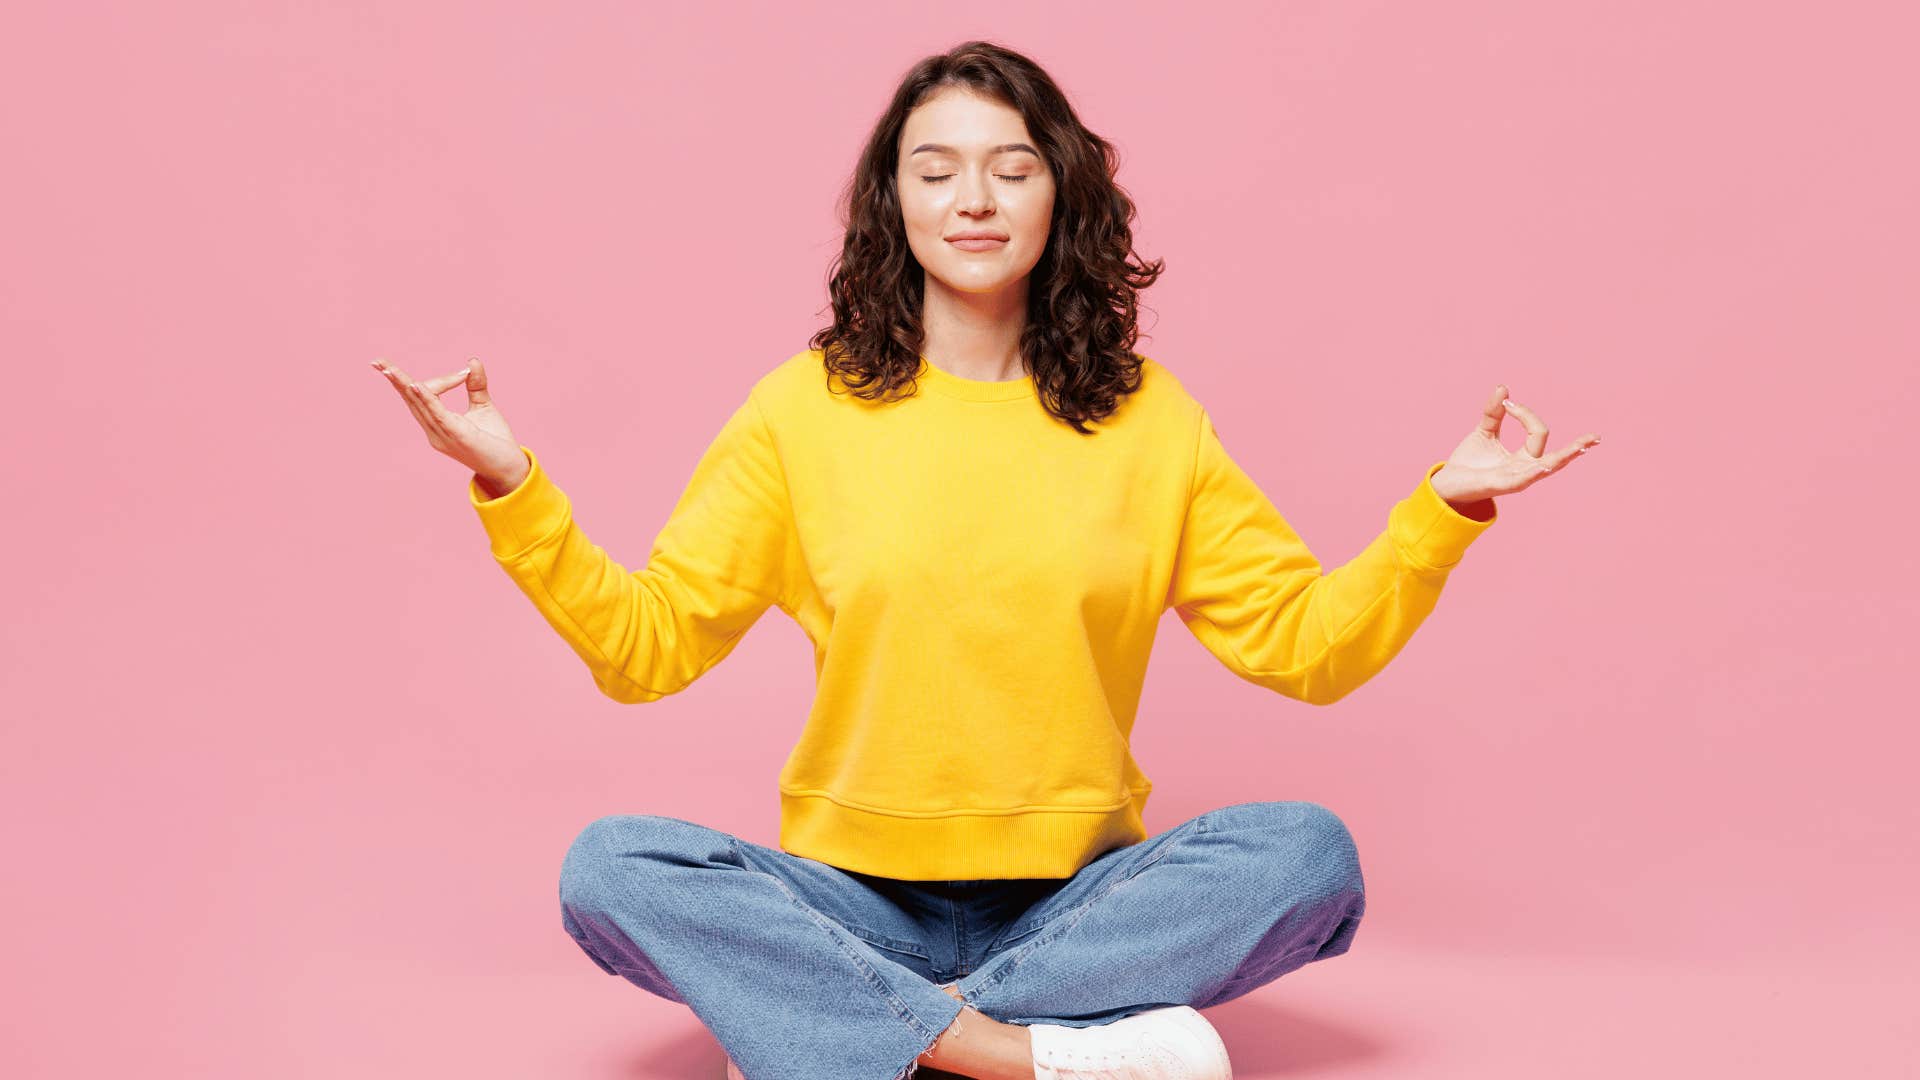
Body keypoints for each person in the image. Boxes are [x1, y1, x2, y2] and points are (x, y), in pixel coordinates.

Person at [371, 39, 1597, 1080]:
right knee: (614, 870)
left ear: (1059, 195)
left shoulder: (1148, 419)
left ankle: (836, 1034)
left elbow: (1305, 647)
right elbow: (646, 650)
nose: (974, 198)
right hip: (849, 903)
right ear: (891, 202)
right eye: (936, 168)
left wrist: (1442, 510)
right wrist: (510, 482)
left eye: (1012, 168)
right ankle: (1026, 1057)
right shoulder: (801, 414)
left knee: (1310, 856)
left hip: (1082, 905)